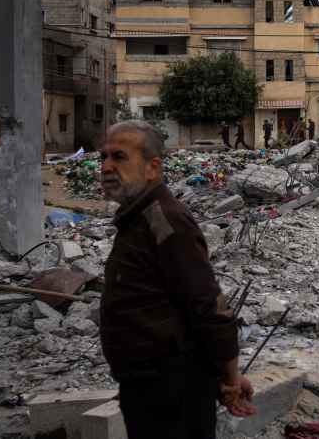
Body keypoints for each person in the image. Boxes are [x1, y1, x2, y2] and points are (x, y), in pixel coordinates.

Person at [99, 121, 256, 438]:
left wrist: (230, 377)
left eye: (119, 157)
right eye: (102, 157)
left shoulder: (164, 220)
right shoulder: (140, 218)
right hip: (150, 388)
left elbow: (207, 306)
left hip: (171, 392)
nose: (105, 167)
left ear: (152, 167)